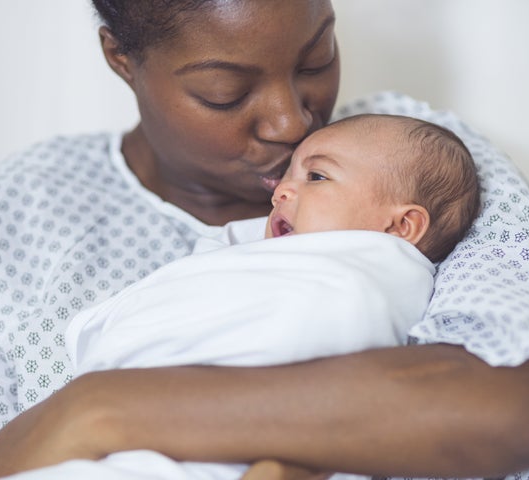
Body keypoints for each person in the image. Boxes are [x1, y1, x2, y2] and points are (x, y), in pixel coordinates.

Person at [0, 2, 529, 480]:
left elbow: (505, 405)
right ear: (121, 58)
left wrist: (98, 410)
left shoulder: (413, 156)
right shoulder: (10, 222)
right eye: (224, 92)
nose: (289, 122)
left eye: (315, 58)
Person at [24, 113, 479, 480]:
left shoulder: (373, 276)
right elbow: (206, 279)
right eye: (289, 176)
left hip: (233, 434)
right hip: (148, 416)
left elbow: (343, 326)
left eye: (317, 176)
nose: (282, 189)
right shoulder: (255, 257)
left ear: (401, 227)